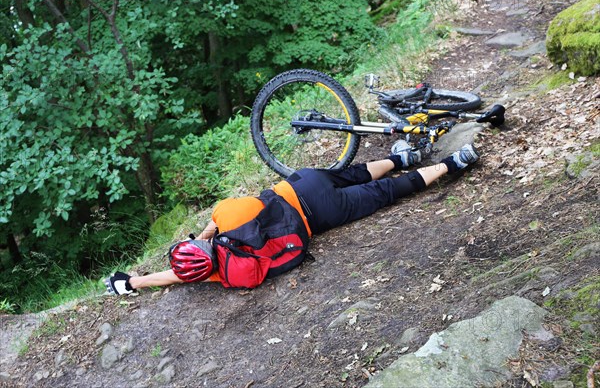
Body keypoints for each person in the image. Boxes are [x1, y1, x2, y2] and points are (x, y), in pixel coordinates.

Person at [105, 143, 480, 295]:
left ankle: (454, 162)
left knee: (387, 194)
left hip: (321, 218)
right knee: (356, 173)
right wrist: (206, 230)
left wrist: (132, 284)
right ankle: (403, 157)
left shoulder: (225, 272)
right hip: (301, 185)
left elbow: (174, 276)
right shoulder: (225, 214)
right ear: (198, 241)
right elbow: (215, 224)